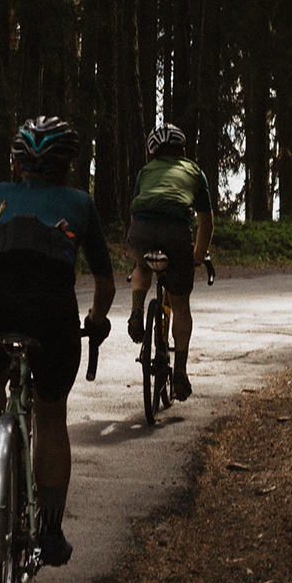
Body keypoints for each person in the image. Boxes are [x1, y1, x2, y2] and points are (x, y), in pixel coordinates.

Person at [0, 116, 114, 567]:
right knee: (51, 412)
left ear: (17, 164)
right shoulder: (80, 202)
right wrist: (96, 320)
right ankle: (51, 531)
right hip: (50, 314)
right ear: (67, 168)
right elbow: (104, 282)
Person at [124, 123, 214, 400]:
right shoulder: (195, 172)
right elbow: (206, 223)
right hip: (176, 233)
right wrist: (197, 256)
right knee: (180, 304)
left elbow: (136, 212)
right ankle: (181, 374)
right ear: (183, 151)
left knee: (141, 267)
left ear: (153, 153)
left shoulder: (145, 172)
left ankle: (137, 312)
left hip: (141, 230)